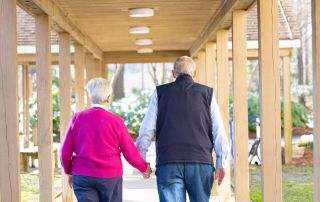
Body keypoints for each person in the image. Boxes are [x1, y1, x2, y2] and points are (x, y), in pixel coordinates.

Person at [136, 56, 229, 202]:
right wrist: (221, 163)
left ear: (173, 73)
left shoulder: (160, 93)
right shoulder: (207, 94)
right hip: (200, 162)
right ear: (195, 73)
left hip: (168, 162)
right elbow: (218, 131)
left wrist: (141, 160)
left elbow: (147, 130)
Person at [60, 78, 151, 202]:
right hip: (110, 177)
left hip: (83, 176)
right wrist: (144, 168)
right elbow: (130, 152)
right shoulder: (116, 121)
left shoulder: (77, 118)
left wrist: (70, 172)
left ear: (90, 98)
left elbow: (64, 153)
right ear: (109, 98)